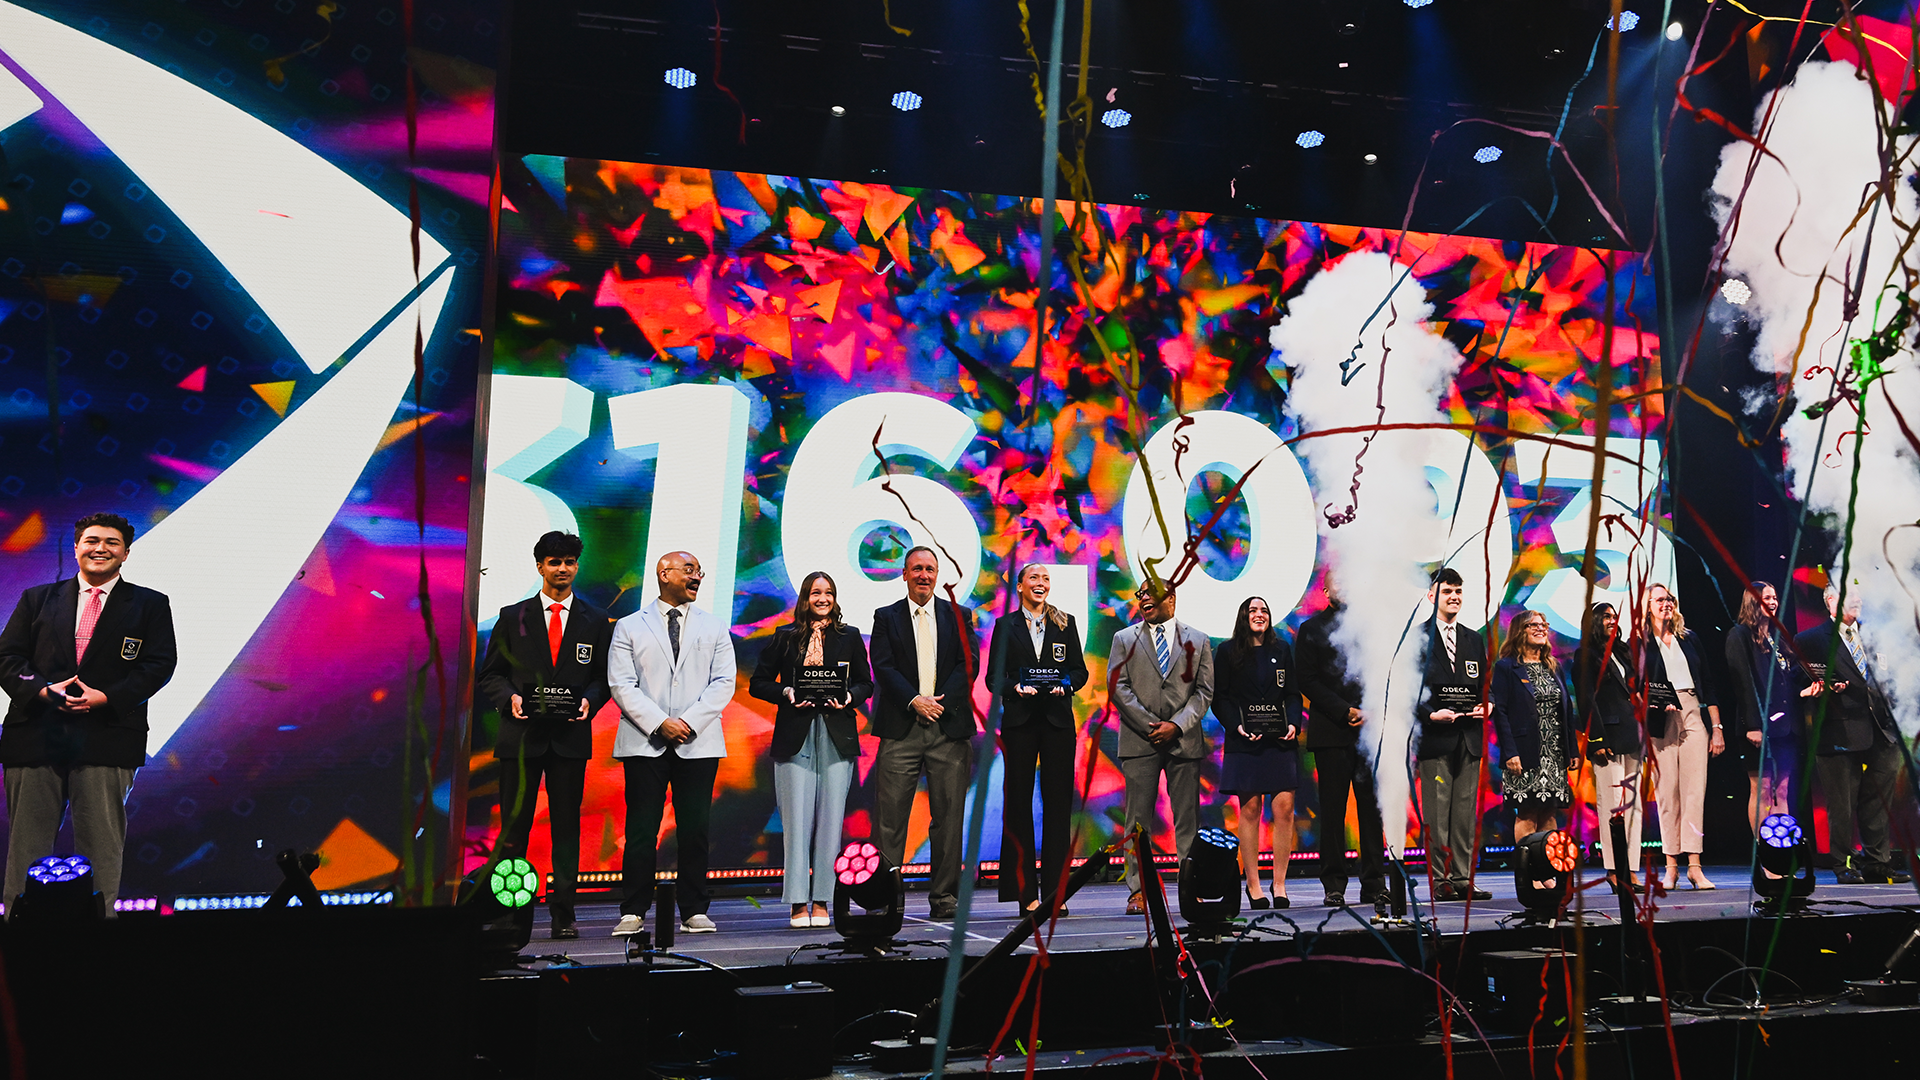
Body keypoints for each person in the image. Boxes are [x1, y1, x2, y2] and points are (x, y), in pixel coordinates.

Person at [0, 513, 177, 915]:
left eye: (112, 543)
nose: (101, 548)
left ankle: (99, 938)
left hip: (107, 735)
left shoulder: (150, 604)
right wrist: (42, 690)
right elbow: (7, 657)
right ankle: (17, 936)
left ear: (126, 553)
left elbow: (159, 664)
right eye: (92, 540)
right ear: (77, 547)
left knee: (101, 848)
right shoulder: (36, 599)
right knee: (26, 849)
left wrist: (106, 697)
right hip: (36, 735)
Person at [475, 530, 612, 939]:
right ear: (540, 567)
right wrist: (510, 699)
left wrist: (589, 701)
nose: (562, 569)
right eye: (555, 562)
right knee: (513, 831)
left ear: (577, 567)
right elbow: (491, 675)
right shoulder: (512, 616)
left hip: (569, 739)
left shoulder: (595, 620)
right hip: (520, 739)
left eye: (569, 562)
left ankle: (564, 914)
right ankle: (509, 914)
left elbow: (603, 678)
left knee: (566, 829)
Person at [608, 551, 737, 936]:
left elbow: (724, 682)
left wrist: (688, 723)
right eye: (689, 570)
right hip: (644, 741)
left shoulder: (714, 626)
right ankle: (633, 910)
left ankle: (694, 909)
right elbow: (621, 684)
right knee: (641, 830)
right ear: (664, 573)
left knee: (695, 830)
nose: (697, 577)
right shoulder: (629, 626)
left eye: (699, 571)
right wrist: (660, 723)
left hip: (698, 742)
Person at [749, 571, 873, 927]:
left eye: (828, 592)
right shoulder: (784, 637)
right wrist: (786, 692)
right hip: (795, 734)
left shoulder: (849, 637)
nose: (823, 598)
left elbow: (865, 683)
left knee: (831, 822)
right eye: (816, 592)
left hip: (836, 734)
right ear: (805, 598)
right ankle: (797, 902)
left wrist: (849, 697)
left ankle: (822, 900)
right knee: (796, 823)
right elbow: (758, 683)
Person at [869, 546, 978, 920]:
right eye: (916, 568)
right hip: (901, 729)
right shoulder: (886, 617)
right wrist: (915, 700)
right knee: (890, 820)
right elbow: (882, 666)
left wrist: (937, 704)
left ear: (937, 574)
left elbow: (969, 664)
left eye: (930, 569)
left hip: (948, 729)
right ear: (904, 574)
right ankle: (884, 896)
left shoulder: (959, 615)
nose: (923, 575)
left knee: (948, 820)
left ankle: (944, 898)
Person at [987, 565, 1088, 917]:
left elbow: (1079, 670)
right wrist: (1014, 686)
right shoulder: (1005, 626)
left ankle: (1055, 894)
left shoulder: (1065, 623)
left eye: (1045, 579)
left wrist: (1067, 684)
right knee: (1018, 806)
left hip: (1057, 723)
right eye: (1034, 578)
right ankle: (1025, 893)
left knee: (1058, 808)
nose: (1040, 583)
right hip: (1020, 723)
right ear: (1020, 586)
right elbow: (993, 678)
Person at [1111, 582, 1215, 915]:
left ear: (1170, 598)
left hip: (1184, 740)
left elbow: (1204, 692)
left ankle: (1190, 888)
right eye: (1140, 594)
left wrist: (1177, 725)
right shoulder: (1124, 639)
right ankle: (1138, 891)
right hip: (1140, 740)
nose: (1143, 598)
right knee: (1137, 822)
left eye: (1150, 593)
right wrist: (1150, 726)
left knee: (1187, 820)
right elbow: (1118, 687)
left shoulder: (1198, 640)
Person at [1798, 584, 1911, 884]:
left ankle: (1877, 863)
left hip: (1880, 729)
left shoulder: (1874, 635)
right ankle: (1843, 863)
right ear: (1831, 601)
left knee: (1878, 801)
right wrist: (1812, 689)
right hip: (1838, 730)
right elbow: (1796, 678)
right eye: (1850, 592)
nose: (1858, 598)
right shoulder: (1810, 640)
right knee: (1842, 804)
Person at [1297, 581, 1388, 910]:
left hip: (1369, 732)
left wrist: (1372, 709)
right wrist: (1344, 710)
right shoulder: (1311, 629)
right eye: (1337, 581)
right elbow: (1306, 679)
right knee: (1333, 812)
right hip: (1331, 731)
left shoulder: (1372, 625)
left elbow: (1385, 671)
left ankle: (1375, 884)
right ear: (1325, 591)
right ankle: (1334, 884)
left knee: (1372, 812)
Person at [1212, 597, 1303, 910]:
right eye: (1253, 610)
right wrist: (1236, 725)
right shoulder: (1227, 652)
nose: (1259, 615)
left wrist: (1292, 723)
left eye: (1264, 610)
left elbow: (1292, 694)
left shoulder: (1282, 650)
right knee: (1250, 810)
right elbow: (1220, 697)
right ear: (1243, 617)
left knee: (1285, 808)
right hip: (1245, 742)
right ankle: (1253, 885)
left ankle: (1279, 884)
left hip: (1279, 742)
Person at [1415, 567, 1491, 901]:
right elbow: (1406, 688)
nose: (1454, 597)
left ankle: (1462, 878)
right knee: (1437, 814)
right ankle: (1440, 880)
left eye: (1458, 591)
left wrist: (1487, 704)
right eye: (1447, 591)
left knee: (1464, 815)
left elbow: (1485, 684)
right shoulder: (1417, 638)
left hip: (1469, 736)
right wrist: (1430, 714)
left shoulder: (1473, 638)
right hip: (1436, 737)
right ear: (1431, 596)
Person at [1722, 581, 1818, 842]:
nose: (1773, 602)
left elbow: (1788, 679)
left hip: (1786, 727)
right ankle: (1764, 850)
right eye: (1767, 597)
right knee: (1762, 788)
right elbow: (1743, 682)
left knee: (1782, 790)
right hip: (1758, 727)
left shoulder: (1777, 637)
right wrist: (1753, 725)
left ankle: (1781, 848)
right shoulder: (1739, 635)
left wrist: (1806, 690)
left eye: (1775, 597)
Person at [1645, 582, 1722, 891]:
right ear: (1647, 606)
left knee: (1694, 792)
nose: (1666, 603)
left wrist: (1717, 727)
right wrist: (1652, 704)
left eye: (1670, 599)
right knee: (1667, 794)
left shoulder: (1689, 638)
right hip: (1659, 718)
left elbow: (1708, 683)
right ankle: (1671, 867)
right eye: (1660, 599)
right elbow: (1634, 686)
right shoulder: (1640, 642)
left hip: (1691, 711)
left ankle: (1695, 866)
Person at [1491, 610, 1579, 849]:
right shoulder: (1506, 667)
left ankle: (1546, 866)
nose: (1541, 629)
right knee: (1528, 812)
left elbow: (1566, 710)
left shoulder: (1553, 666)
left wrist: (1572, 750)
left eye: (1544, 625)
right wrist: (1510, 753)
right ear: (1520, 631)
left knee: (1549, 812)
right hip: (1524, 752)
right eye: (1534, 625)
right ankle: (1528, 867)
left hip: (1554, 753)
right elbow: (1501, 712)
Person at [1577, 603, 1644, 894]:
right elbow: (1586, 700)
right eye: (1606, 617)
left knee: (1633, 806)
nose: (1612, 621)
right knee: (1613, 805)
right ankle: (1615, 871)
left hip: (1632, 735)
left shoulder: (1622, 652)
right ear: (1594, 621)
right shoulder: (1585, 655)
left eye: (1614, 617)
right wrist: (1597, 740)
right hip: (1608, 738)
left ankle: (1631, 869)